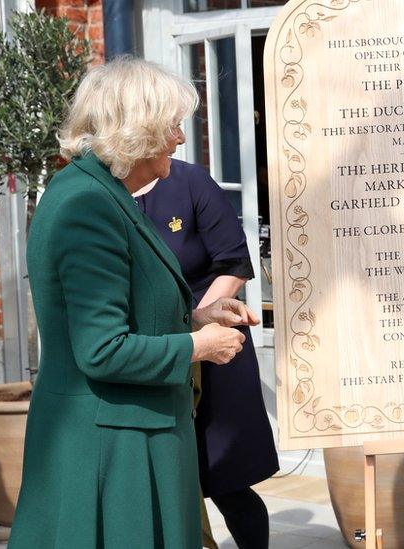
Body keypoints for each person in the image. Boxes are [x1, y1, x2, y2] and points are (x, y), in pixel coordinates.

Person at [9, 57, 256, 549]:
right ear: (138, 129)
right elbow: (101, 349)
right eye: (173, 126)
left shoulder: (102, 192)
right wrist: (197, 345)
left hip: (125, 436)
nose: (181, 139)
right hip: (112, 449)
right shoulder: (88, 204)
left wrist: (198, 314)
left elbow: (123, 305)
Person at [132, 160, 279, 548]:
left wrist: (195, 324)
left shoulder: (190, 181)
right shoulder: (104, 194)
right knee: (158, 478)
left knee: (227, 481)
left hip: (215, 349)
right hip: (146, 356)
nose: (177, 136)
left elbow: (234, 263)